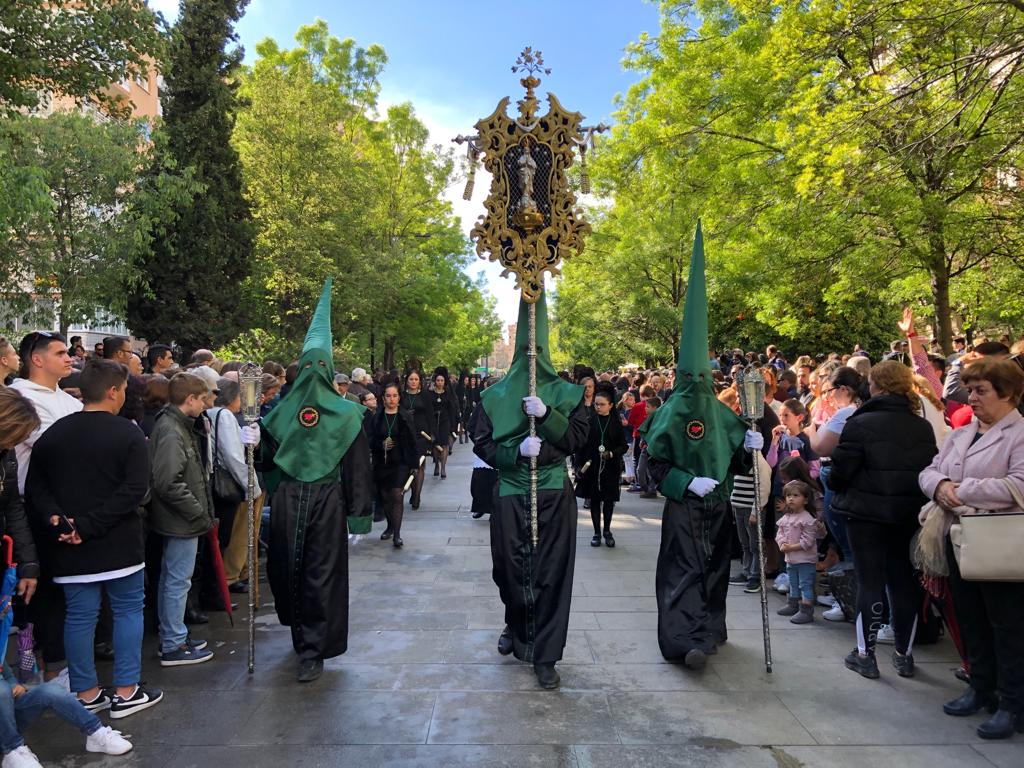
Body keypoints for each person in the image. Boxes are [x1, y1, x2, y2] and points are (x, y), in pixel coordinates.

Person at [642, 224, 760, 669]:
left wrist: (752, 444)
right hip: (687, 507)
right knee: (684, 571)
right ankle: (683, 641)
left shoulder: (724, 414)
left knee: (715, 570)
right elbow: (652, 464)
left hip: (720, 507)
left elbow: (741, 463)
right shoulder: (669, 413)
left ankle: (710, 630)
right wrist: (685, 483)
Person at [25, 360, 161, 719]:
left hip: (70, 547)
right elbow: (135, 490)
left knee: (80, 617)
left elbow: (36, 488)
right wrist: (86, 525)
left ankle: (85, 692)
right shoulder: (128, 433)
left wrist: (61, 521)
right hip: (117, 543)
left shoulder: (53, 435)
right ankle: (127, 690)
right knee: (128, 611)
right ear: (114, 391)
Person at [257, 279, 373, 683]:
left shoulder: (347, 414)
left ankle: (315, 647)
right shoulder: (278, 412)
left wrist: (359, 517)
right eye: (306, 366)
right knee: (287, 569)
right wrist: (253, 443)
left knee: (320, 573)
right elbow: (268, 461)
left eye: (318, 366)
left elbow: (358, 468)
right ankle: (298, 632)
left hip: (327, 499)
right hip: (289, 499)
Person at [472, 291, 589, 690]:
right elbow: (482, 443)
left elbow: (577, 438)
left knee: (552, 573)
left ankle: (545, 654)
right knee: (509, 570)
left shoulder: (569, 394)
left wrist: (549, 416)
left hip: (554, 491)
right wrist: (515, 451)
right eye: (526, 348)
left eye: (538, 349)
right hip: (510, 492)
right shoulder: (493, 396)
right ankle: (515, 621)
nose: (531, 357)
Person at [919, 358, 1024, 739]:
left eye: (981, 391)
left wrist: (959, 491)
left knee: (1007, 625)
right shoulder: (963, 433)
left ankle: (1012, 702)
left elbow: (1019, 485)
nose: (972, 398)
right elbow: (929, 470)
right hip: (957, 537)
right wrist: (941, 486)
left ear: (1008, 393)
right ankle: (981, 686)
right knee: (970, 618)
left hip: (1000, 543)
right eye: (971, 390)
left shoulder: (1019, 434)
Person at [829, 361, 938, 680]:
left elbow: (839, 472)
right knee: (904, 583)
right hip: (907, 514)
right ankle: (904, 653)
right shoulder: (922, 425)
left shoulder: (860, 422)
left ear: (876, 385)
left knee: (870, 582)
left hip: (866, 515)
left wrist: (839, 484)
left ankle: (866, 654)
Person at [12, 331, 82, 686]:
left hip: (68, 504)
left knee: (64, 588)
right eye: (59, 353)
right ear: (36, 359)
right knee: (37, 591)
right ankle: (40, 665)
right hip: (28, 505)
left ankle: (60, 661)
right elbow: (59, 445)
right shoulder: (20, 397)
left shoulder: (68, 400)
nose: (69, 358)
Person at [148, 372, 217, 667]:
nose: (205, 406)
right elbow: (167, 482)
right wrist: (197, 512)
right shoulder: (172, 430)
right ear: (190, 399)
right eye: (202, 400)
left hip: (181, 518)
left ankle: (175, 634)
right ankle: (173, 642)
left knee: (175, 580)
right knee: (177, 581)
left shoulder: (177, 425)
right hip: (180, 520)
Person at [208, 379, 264, 591]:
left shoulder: (217, 415)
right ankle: (224, 581)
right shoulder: (224, 417)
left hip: (225, 482)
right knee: (230, 536)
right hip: (230, 484)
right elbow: (232, 456)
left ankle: (228, 578)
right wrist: (251, 485)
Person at [574, 389, 628, 547]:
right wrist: (578, 465)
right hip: (592, 465)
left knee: (609, 501)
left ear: (611, 405)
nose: (598, 407)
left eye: (602, 404)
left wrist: (611, 453)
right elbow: (581, 445)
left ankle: (607, 531)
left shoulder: (615, 422)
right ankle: (596, 532)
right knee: (595, 500)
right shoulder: (590, 420)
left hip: (610, 467)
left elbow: (623, 446)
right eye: (596, 404)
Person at [368, 383, 417, 548]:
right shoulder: (377, 417)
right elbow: (370, 439)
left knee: (397, 494)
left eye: (394, 395)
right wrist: (380, 444)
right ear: (383, 398)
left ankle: (397, 534)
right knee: (385, 497)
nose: (391, 399)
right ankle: (390, 525)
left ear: (399, 397)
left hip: (400, 462)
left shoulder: (405, 416)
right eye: (388, 396)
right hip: (382, 463)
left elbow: (412, 441)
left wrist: (414, 464)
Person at [774, 480, 820, 624]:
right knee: (793, 583)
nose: (791, 498)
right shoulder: (786, 517)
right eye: (788, 495)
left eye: (796, 495)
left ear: (805, 499)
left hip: (805, 560)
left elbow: (808, 541)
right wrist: (781, 543)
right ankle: (793, 604)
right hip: (791, 559)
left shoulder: (808, 519)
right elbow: (779, 533)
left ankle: (806, 610)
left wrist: (790, 547)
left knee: (805, 584)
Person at [400, 370, 431, 510]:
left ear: (419, 381)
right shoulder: (401, 395)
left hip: (421, 433)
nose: (413, 382)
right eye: (411, 379)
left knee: (419, 464)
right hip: (405, 433)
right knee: (409, 465)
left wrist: (432, 434)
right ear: (407, 381)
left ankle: (417, 495)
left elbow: (430, 413)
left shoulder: (425, 395)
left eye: (416, 379)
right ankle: (412, 491)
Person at [430, 373, 459, 479]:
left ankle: (443, 467)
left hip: (445, 421)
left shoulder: (448, 394)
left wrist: (453, 426)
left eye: (442, 380)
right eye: (438, 380)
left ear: (444, 382)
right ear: (435, 381)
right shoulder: (430, 394)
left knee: (445, 444)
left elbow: (452, 410)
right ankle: (436, 464)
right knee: (435, 444)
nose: (440, 382)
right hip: (433, 421)